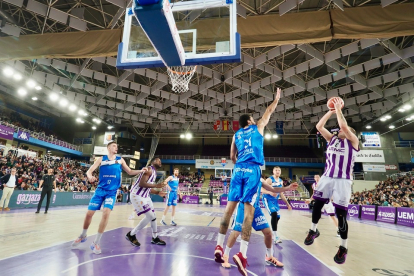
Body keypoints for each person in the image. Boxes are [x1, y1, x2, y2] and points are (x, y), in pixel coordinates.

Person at [214, 88, 298, 276]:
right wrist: (276, 99)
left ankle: (219, 247)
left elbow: (231, 156)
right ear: (250, 121)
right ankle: (241, 255)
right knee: (247, 215)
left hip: (238, 170)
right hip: (252, 170)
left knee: (229, 210)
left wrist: (240, 165)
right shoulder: (257, 127)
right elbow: (268, 112)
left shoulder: (236, 135)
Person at [304, 98, 359, 264]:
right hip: (327, 177)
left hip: (343, 180)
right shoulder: (332, 140)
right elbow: (319, 127)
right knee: (317, 204)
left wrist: (339, 109)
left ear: (350, 133)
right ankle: (313, 230)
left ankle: (343, 247)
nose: (340, 130)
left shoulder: (353, 142)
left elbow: (343, 126)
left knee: (341, 215)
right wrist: (330, 111)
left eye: (345, 129)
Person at [71, 141, 148, 254]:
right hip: (100, 190)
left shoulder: (120, 159)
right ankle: (83, 235)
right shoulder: (101, 159)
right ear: (108, 148)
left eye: (117, 146)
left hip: (112, 192)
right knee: (89, 214)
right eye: (114, 146)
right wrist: (90, 176)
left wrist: (141, 171)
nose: (116, 147)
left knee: (106, 213)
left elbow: (130, 171)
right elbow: (89, 171)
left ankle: (96, 243)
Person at [222, 181, 286, 269]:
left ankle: (269, 256)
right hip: (243, 207)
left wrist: (288, 188)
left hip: (256, 208)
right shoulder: (245, 175)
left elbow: (270, 188)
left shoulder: (260, 178)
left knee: (268, 233)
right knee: (236, 232)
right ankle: (225, 256)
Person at [125, 157, 167, 247]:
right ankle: (131, 234)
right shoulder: (148, 169)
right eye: (158, 160)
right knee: (150, 216)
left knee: (153, 216)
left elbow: (148, 188)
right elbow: (142, 184)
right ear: (153, 162)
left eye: (161, 161)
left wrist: (157, 192)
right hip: (137, 195)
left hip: (145, 196)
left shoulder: (154, 173)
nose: (160, 161)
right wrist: (157, 185)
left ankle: (155, 237)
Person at [262, 168, 292, 244]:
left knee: (277, 218)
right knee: (274, 214)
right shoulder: (269, 180)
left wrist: (287, 204)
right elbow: (261, 188)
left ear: (280, 172)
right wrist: (269, 192)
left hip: (275, 201)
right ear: (273, 171)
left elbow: (281, 194)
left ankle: (273, 232)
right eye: (276, 170)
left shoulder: (281, 181)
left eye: (279, 170)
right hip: (267, 199)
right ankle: (275, 236)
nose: (277, 171)